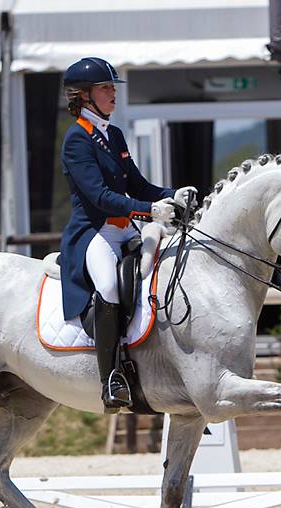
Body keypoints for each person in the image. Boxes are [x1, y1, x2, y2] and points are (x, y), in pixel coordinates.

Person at [58, 57, 196, 411]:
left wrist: (171, 193)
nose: (112, 94)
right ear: (84, 96)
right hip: (94, 234)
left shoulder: (113, 135)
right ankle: (111, 380)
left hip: (124, 232)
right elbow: (100, 197)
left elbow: (138, 184)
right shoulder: (77, 139)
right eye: (105, 88)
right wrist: (149, 210)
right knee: (107, 287)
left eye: (111, 88)